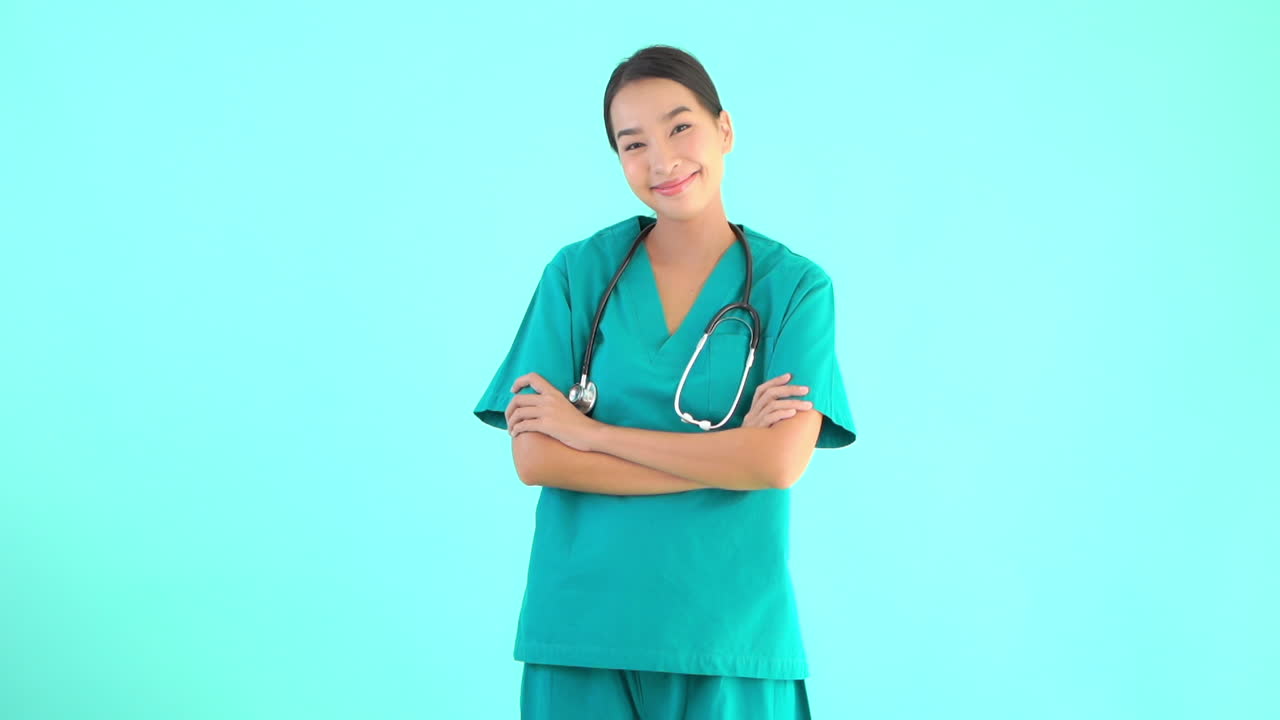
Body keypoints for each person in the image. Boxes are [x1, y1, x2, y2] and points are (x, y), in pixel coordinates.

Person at [472, 44, 857, 720]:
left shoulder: (796, 288)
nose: (661, 160)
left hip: (728, 634)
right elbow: (536, 457)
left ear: (724, 130)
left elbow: (777, 462)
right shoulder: (576, 275)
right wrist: (728, 457)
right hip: (582, 633)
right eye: (633, 143)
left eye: (681, 127)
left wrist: (591, 435)